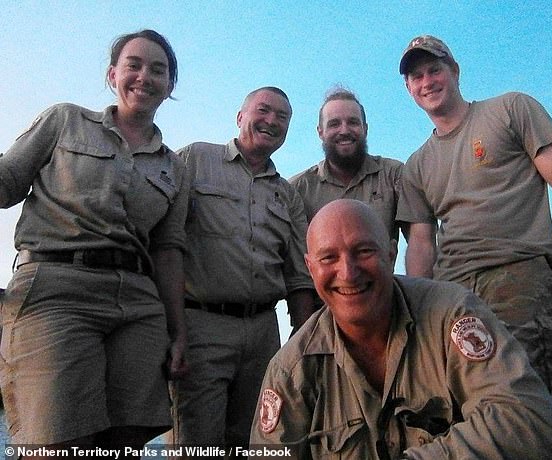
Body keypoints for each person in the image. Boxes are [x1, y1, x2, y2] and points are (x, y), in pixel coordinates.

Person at [396, 34, 552, 459]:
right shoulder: (416, 164)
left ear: (454, 71)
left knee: (535, 419)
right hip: (450, 299)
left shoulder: (511, 109)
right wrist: (413, 314)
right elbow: (421, 243)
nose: (427, 81)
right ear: (408, 88)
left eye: (434, 69)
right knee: (460, 417)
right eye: (416, 76)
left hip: (520, 279)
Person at [250, 199, 552, 459]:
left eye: (364, 252)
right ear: (310, 268)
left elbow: (530, 420)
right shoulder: (290, 372)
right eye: (329, 257)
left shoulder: (452, 316)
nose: (348, 273)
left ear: (391, 253)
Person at [0, 29, 188, 455]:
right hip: (56, 292)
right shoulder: (63, 120)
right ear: (112, 75)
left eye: (159, 70)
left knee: (125, 441)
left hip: (139, 307)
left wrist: (178, 332)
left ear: (170, 85)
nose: (145, 76)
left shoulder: (175, 167)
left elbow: (168, 251)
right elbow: (7, 182)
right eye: (134, 65)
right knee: (55, 440)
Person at [170, 87, 316, 454]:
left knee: (257, 440)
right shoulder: (194, 160)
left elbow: (299, 275)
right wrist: (172, 329)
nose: (271, 121)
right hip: (201, 326)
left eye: (282, 117)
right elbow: (164, 241)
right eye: (263, 110)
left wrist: (302, 345)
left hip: (265, 334)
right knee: (196, 442)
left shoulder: (288, 195)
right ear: (240, 117)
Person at [290, 87, 405, 241]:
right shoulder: (298, 189)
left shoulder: (393, 175)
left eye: (353, 122)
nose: (344, 130)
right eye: (334, 124)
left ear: (365, 129)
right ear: (320, 132)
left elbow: (420, 239)